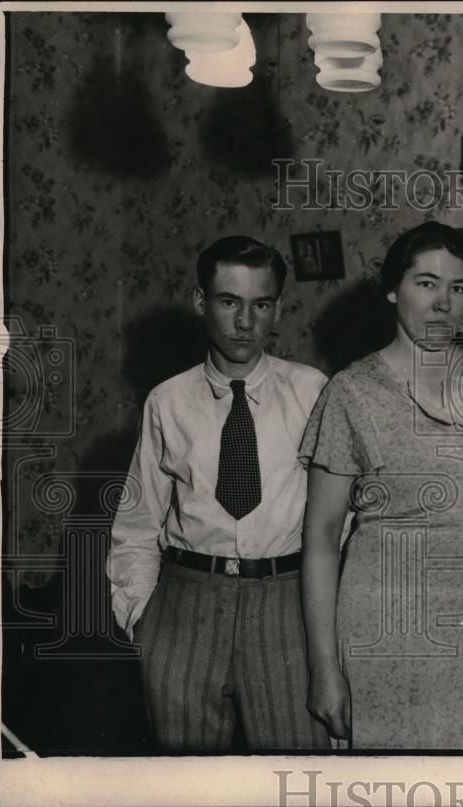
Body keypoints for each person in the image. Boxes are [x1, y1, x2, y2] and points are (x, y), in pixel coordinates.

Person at [300, 221, 463, 750]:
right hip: (388, 632)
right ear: (393, 290)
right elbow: (320, 537)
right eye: (426, 283)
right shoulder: (351, 391)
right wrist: (325, 669)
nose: (443, 303)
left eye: (458, 289)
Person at [108, 236, 331, 751]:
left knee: (298, 773)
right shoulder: (167, 401)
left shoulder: (314, 392)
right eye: (229, 302)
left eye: (262, 304)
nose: (245, 322)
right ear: (201, 303)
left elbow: (337, 520)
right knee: (188, 784)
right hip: (186, 605)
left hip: (285, 604)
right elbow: (138, 524)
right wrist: (143, 621)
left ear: (278, 307)